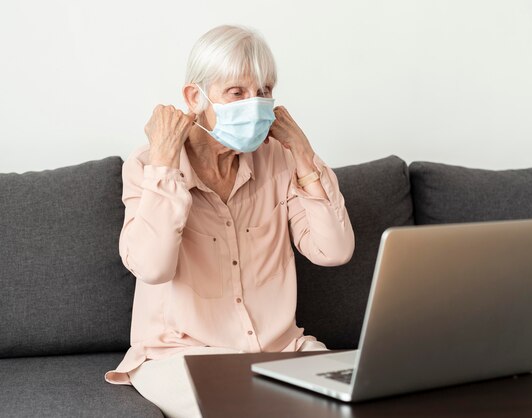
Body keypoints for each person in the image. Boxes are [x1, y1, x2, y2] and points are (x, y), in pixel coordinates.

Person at [104, 24, 355, 418]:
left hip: (280, 348)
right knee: (245, 408)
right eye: (237, 92)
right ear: (195, 97)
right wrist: (166, 163)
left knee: (352, 399)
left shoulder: (280, 159)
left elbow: (333, 251)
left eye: (264, 91)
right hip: (181, 354)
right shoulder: (147, 166)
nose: (255, 104)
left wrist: (304, 155)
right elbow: (151, 267)